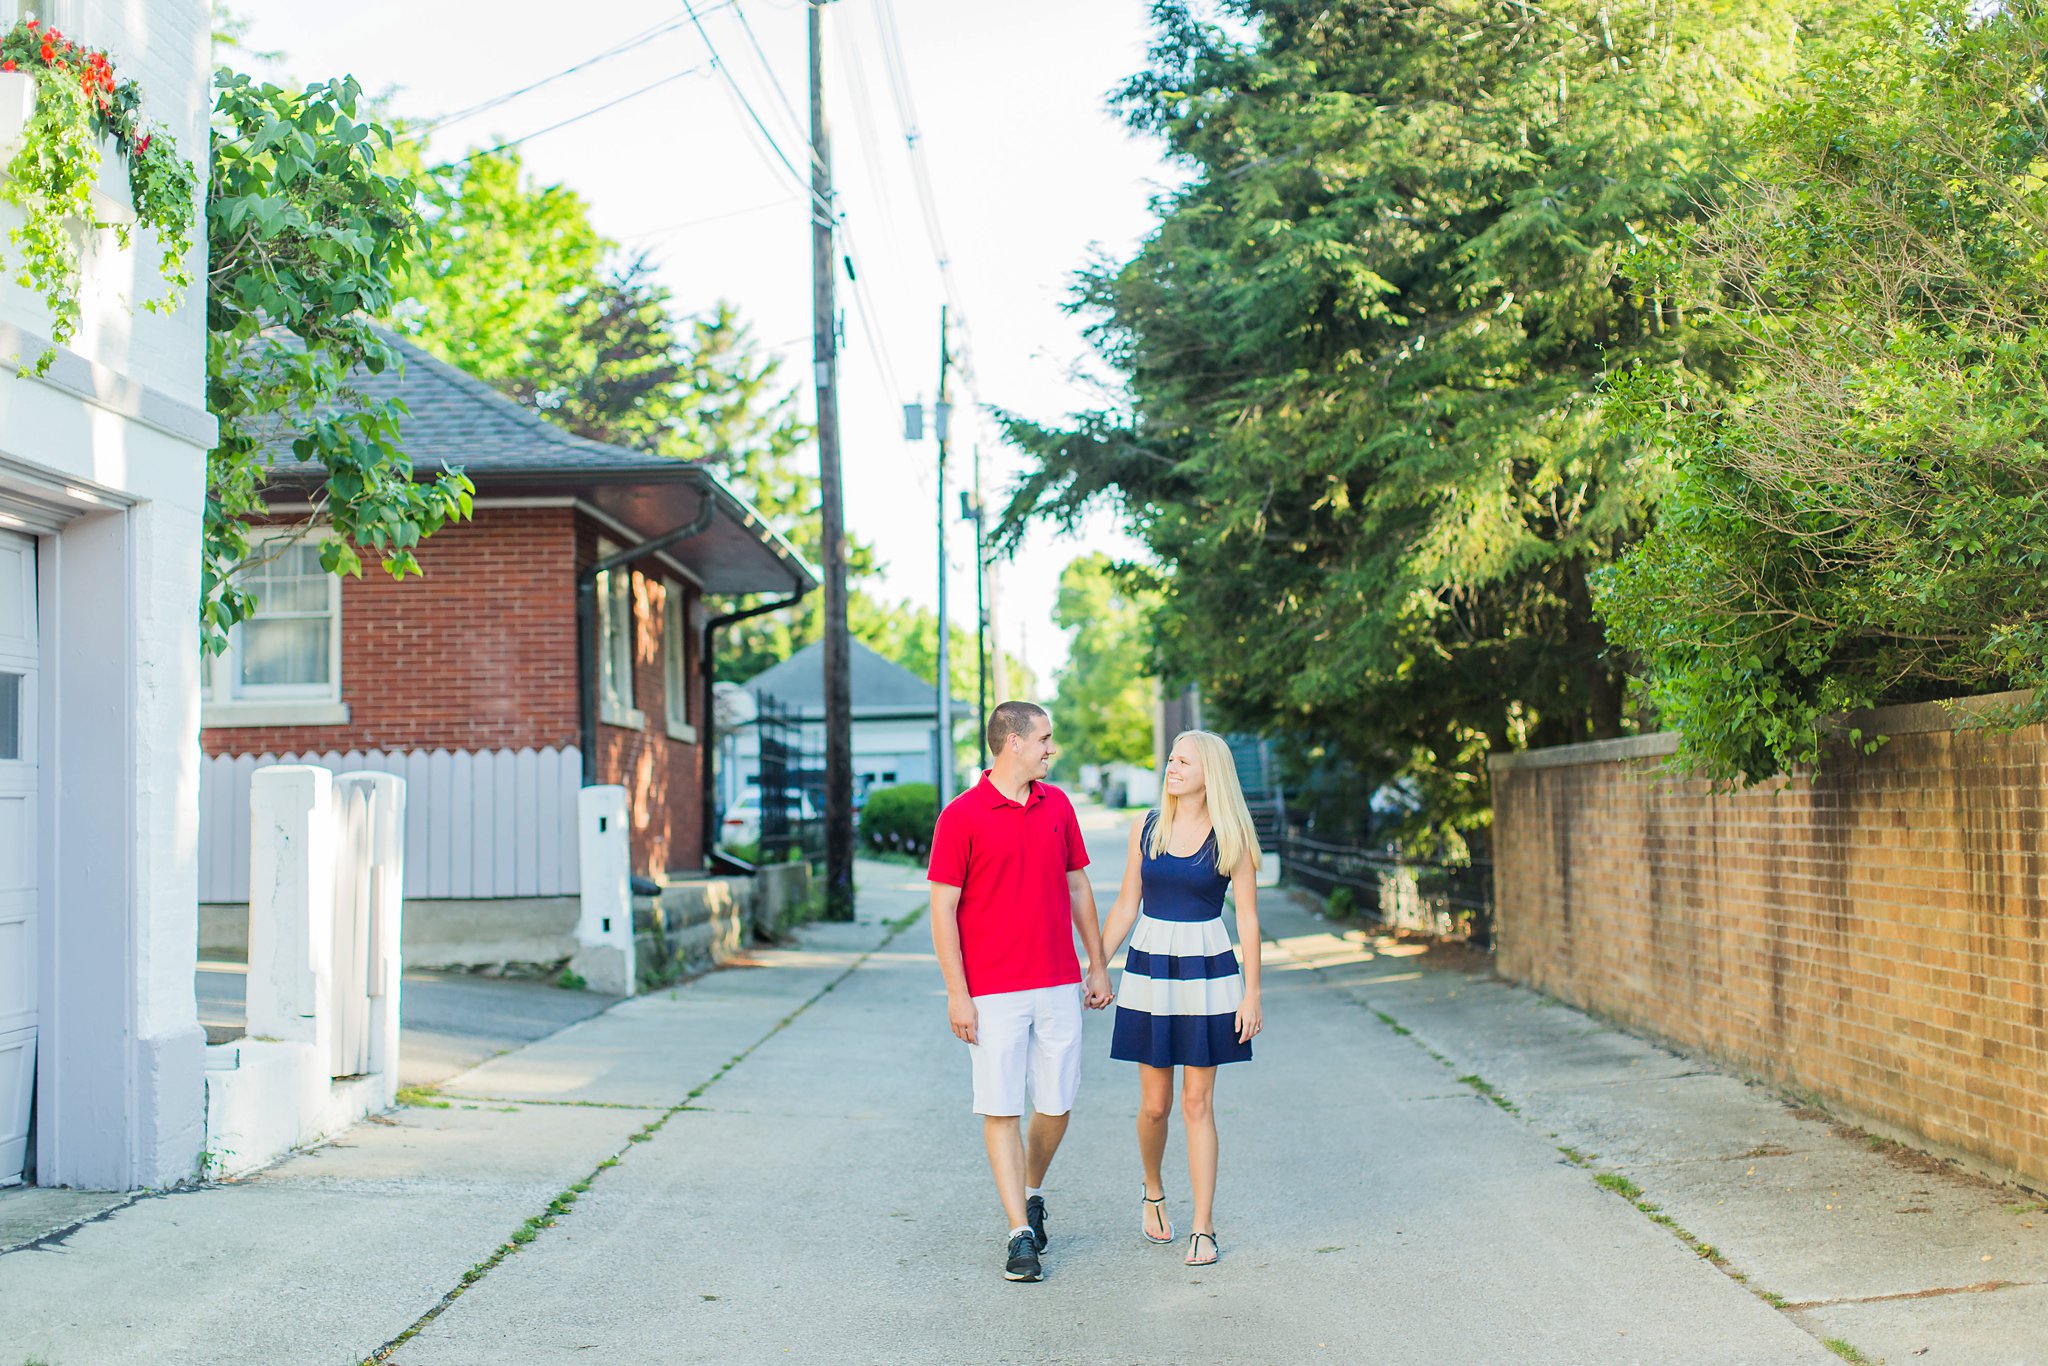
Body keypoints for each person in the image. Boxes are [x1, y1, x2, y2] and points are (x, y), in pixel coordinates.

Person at [927, 701, 1113, 1283]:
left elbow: (1078, 886)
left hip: (1058, 979)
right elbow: (942, 909)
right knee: (1002, 1106)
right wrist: (956, 993)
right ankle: (1018, 1234)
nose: (1051, 749)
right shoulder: (960, 815)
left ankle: (1032, 1191)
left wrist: (1098, 963)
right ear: (1013, 743)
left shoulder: (1057, 805)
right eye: (1044, 739)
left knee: (1056, 1104)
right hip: (993, 991)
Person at [1100, 729, 1263, 1267]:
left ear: (1208, 772)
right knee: (1155, 1105)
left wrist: (1253, 993)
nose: (1172, 767)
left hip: (1209, 972)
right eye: (1170, 758)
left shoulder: (1231, 834)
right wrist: (1097, 965)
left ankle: (1203, 1226)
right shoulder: (1146, 827)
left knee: (1197, 1102)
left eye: (1184, 761)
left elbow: (1249, 919)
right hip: (1150, 968)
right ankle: (1152, 1190)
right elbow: (1127, 903)